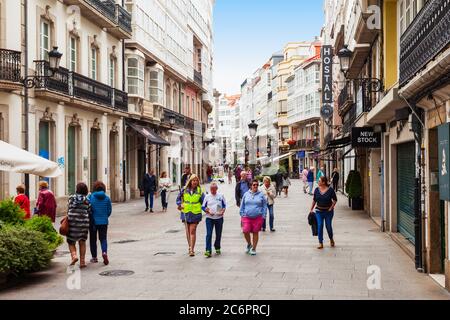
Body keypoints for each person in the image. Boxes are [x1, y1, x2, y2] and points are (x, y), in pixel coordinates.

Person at [176, 174, 205, 257]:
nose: (195, 182)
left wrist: (207, 209)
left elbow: (204, 202)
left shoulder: (199, 191)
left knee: (192, 230)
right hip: (186, 213)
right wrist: (179, 205)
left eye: (196, 181)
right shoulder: (184, 190)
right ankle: (189, 246)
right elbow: (178, 199)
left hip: (195, 213)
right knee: (188, 232)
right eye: (193, 180)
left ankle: (192, 249)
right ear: (190, 181)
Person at [240, 179, 268, 256]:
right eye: (254, 185)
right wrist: (242, 214)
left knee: (255, 232)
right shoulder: (246, 194)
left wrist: (263, 215)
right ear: (251, 186)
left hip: (258, 217)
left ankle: (254, 248)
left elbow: (265, 205)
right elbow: (242, 204)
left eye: (256, 185)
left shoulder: (261, 194)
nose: (255, 186)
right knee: (245, 231)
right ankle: (249, 244)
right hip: (246, 216)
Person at [309, 176, 338, 250]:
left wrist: (331, 208)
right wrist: (311, 209)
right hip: (319, 212)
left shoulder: (330, 190)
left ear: (323, 182)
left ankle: (331, 239)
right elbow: (314, 200)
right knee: (320, 225)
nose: (318, 182)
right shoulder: (316, 190)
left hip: (328, 212)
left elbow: (335, 200)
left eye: (319, 181)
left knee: (328, 226)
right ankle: (320, 242)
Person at [88, 181, 112, 265]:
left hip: (93, 222)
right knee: (103, 239)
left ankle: (94, 257)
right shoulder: (107, 198)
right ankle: (104, 252)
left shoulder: (91, 197)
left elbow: (88, 208)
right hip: (104, 222)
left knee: (93, 240)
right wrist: (104, 216)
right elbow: (109, 211)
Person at [67, 183, 90, 268]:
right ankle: (82, 262)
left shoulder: (71, 198)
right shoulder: (87, 199)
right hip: (84, 223)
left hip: (72, 222)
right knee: (82, 242)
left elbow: (69, 208)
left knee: (71, 241)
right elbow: (89, 210)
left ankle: (74, 256)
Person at [202, 182, 227, 258]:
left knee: (218, 234)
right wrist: (207, 211)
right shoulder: (207, 197)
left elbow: (224, 205)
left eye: (214, 189)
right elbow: (203, 206)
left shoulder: (220, 196)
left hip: (219, 218)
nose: (213, 191)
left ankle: (217, 246)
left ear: (217, 189)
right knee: (209, 234)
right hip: (209, 218)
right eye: (211, 189)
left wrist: (222, 211)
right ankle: (208, 250)